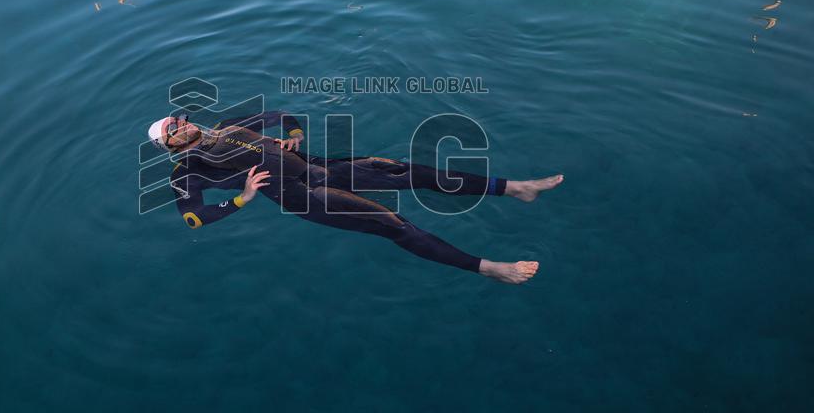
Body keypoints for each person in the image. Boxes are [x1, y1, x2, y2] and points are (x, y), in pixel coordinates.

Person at [147, 110, 563, 284]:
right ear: (170, 145)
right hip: (305, 196)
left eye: (180, 118)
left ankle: (515, 188)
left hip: (320, 167)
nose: (183, 123)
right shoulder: (188, 169)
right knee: (393, 224)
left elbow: (282, 117)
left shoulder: (228, 125)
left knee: (406, 170)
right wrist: (244, 198)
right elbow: (194, 219)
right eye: (174, 128)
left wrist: (294, 137)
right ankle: (491, 269)